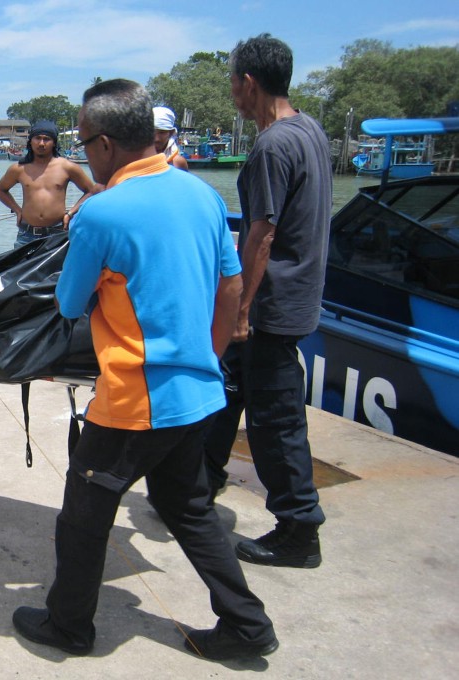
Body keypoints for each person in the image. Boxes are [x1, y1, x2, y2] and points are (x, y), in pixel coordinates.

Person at [12, 79, 277, 661]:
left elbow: (68, 304)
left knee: (83, 515)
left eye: (83, 144)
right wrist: (208, 358)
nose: (81, 154)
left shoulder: (102, 213)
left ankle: (69, 626)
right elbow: (229, 286)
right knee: (188, 508)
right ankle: (247, 624)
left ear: (105, 144)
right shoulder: (201, 195)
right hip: (200, 392)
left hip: (138, 399)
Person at [203, 33, 330, 569]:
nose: (232, 92)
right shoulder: (311, 131)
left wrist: (241, 310)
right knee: (223, 393)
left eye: (233, 82)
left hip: (271, 306)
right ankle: (196, 487)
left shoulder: (273, 145)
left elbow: (263, 235)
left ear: (248, 83)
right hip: (295, 297)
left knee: (275, 422)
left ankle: (299, 529)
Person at [0, 120, 98, 248]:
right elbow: (1, 190)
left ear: (54, 142)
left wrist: (71, 213)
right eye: (37, 138)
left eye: (46, 139)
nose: (41, 143)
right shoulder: (19, 168)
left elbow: (92, 191)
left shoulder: (67, 167)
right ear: (30, 141)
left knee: (58, 269)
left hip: (56, 234)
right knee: (21, 268)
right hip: (26, 235)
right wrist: (17, 210)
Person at [153, 106, 189, 170]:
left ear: (171, 133)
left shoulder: (177, 163)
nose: (156, 139)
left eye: (162, 132)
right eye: (152, 132)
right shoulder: (136, 158)